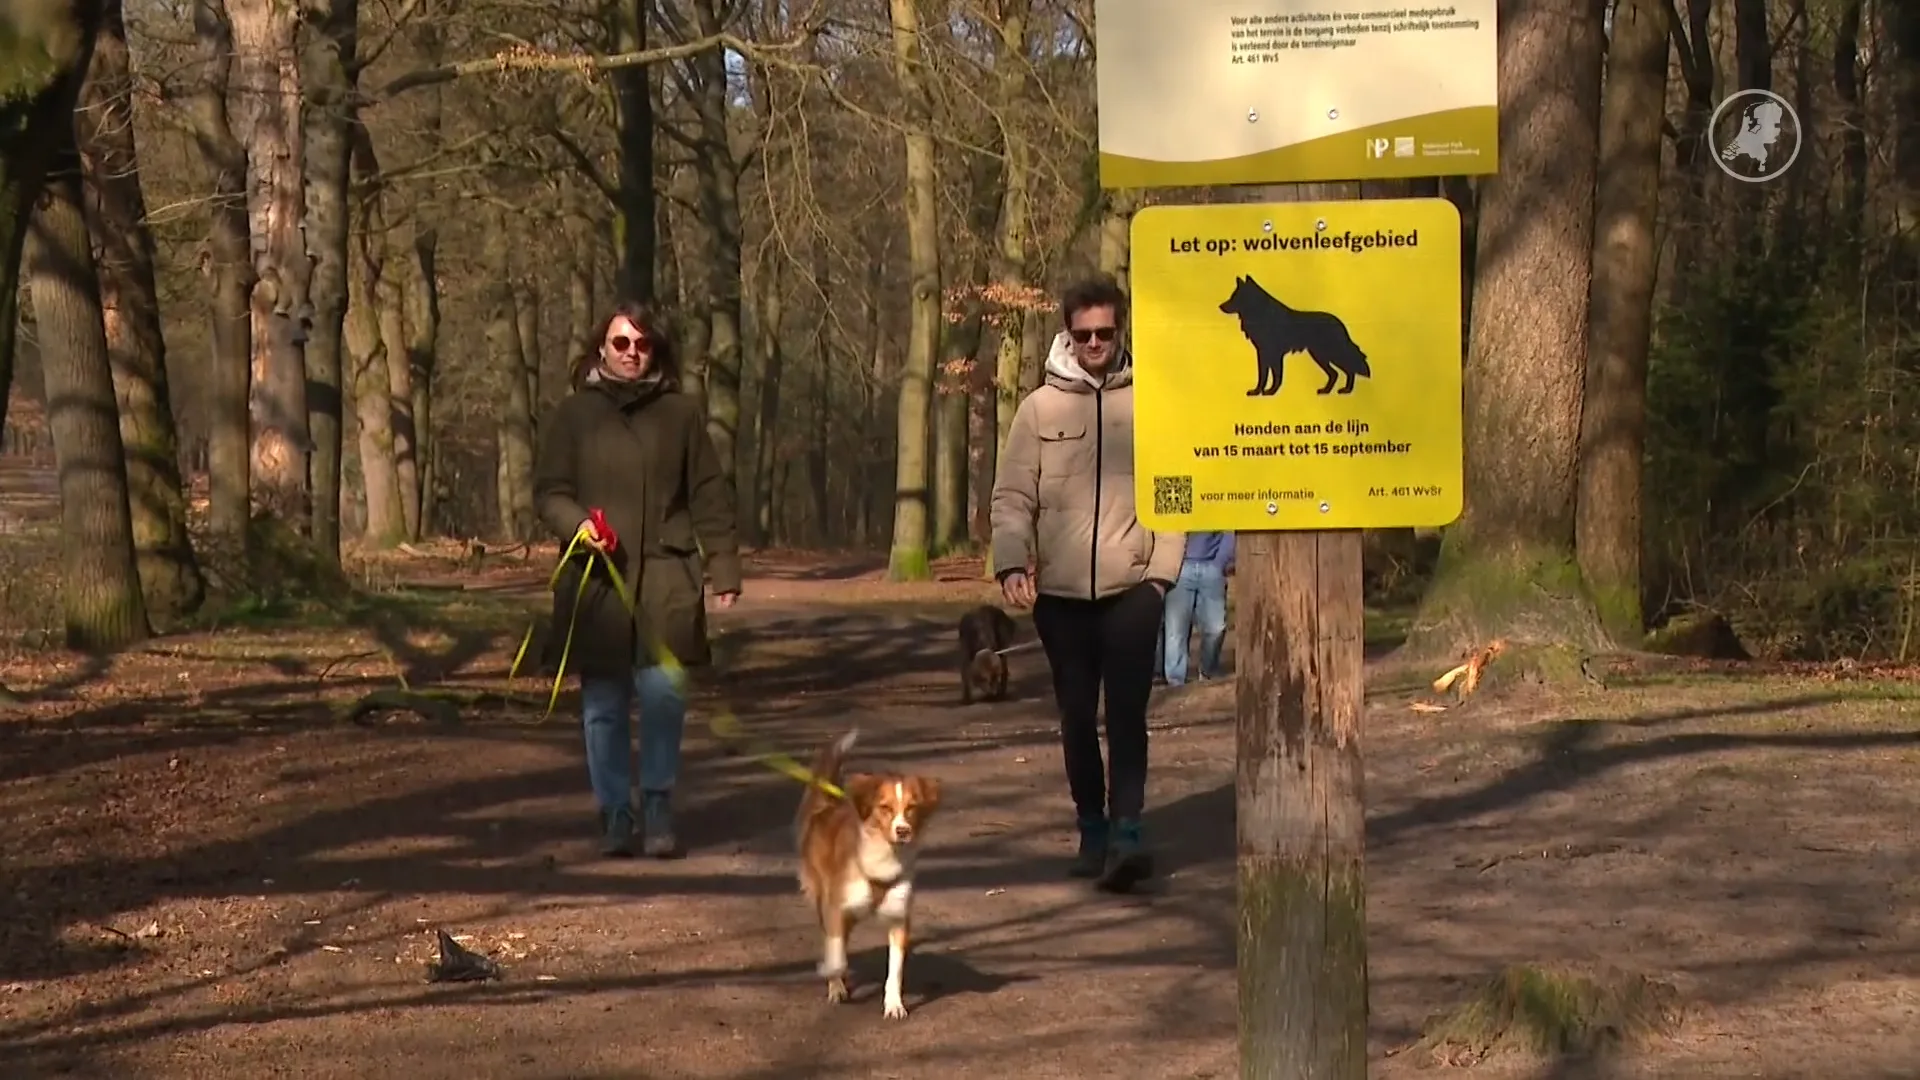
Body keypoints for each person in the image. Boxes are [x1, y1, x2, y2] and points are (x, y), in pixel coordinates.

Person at [990, 274, 1184, 892]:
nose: (1095, 343)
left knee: (1127, 716)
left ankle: (1128, 831)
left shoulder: (1152, 403)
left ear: (1120, 331)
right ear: (1067, 336)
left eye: (1105, 332)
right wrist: (1011, 561)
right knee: (1077, 717)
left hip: (1133, 591)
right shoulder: (1038, 409)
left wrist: (1160, 578)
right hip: (1062, 598)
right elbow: (1012, 496)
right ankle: (1092, 827)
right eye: (1083, 334)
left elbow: (1176, 494)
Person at [532, 299, 742, 859]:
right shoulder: (574, 414)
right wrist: (578, 525)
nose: (631, 353)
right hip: (596, 579)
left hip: (667, 575)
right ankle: (614, 813)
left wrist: (724, 565)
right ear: (602, 347)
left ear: (656, 350)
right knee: (603, 703)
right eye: (621, 342)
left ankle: (657, 804)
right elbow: (549, 491)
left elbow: (709, 494)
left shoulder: (682, 415)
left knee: (664, 695)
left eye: (642, 344)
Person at [1162, 532, 1234, 686]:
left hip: (1212, 567)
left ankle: (1207, 673)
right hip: (1179, 568)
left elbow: (1230, 530)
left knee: (1216, 628)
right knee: (1175, 630)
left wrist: (1219, 563)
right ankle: (1175, 682)